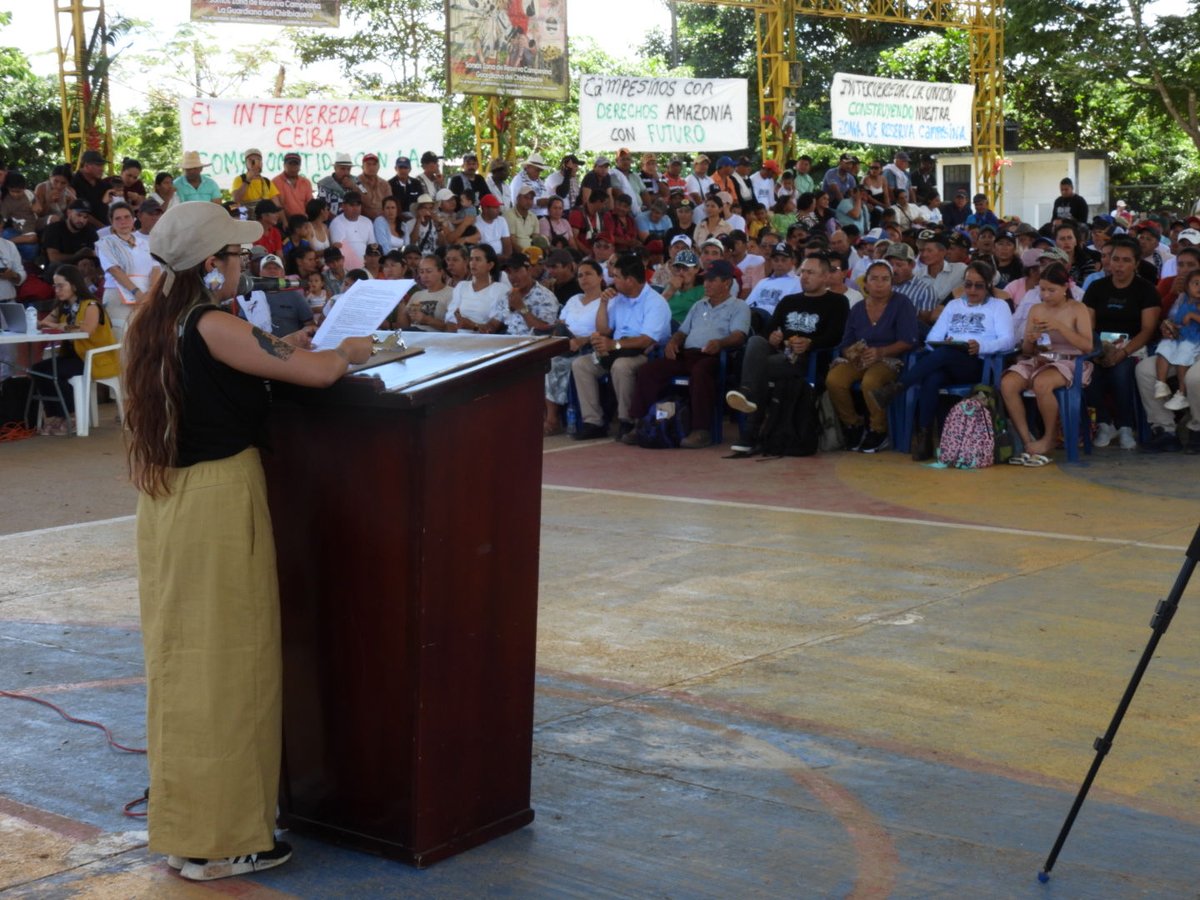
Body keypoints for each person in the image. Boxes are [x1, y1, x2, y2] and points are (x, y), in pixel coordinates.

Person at [123, 200, 373, 882]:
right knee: (232, 666)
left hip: (170, 509)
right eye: (233, 256)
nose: (241, 265)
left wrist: (284, 349)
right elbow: (322, 375)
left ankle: (191, 830)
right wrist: (347, 350)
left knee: (184, 667)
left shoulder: (154, 323)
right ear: (211, 267)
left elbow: (244, 369)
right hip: (218, 501)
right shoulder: (212, 322)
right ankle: (226, 838)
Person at [874, 261, 1014, 460]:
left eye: (979, 285)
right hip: (947, 360)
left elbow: (1008, 340)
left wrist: (982, 346)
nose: (972, 290)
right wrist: (944, 342)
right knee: (933, 377)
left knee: (945, 355)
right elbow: (932, 338)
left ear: (989, 286)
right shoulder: (954, 305)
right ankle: (925, 440)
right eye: (968, 284)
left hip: (978, 362)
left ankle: (899, 386)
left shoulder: (998, 306)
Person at [725, 253, 849, 449]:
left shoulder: (837, 302)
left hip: (809, 360)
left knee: (759, 368)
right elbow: (769, 331)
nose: (805, 277)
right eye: (803, 272)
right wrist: (773, 338)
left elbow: (836, 336)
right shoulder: (789, 301)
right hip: (781, 355)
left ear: (825, 277)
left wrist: (811, 343)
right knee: (757, 341)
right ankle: (748, 399)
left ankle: (749, 427)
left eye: (811, 273)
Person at [626, 260, 750, 449]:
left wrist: (720, 343)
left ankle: (701, 431)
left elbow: (739, 336)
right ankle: (641, 424)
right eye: (705, 280)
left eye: (712, 280)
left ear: (727, 283)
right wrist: (674, 341)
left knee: (701, 372)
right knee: (649, 370)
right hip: (688, 354)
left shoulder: (739, 306)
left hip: (715, 357)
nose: (706, 284)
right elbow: (682, 331)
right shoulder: (699, 305)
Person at [999, 262, 1095, 466]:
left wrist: (1060, 327)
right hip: (1041, 358)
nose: (1046, 295)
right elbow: (1027, 351)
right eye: (1042, 289)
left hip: (1069, 361)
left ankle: (1050, 437)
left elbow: (1087, 346)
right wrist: (1031, 339)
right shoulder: (1036, 309)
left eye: (1052, 290)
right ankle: (1028, 442)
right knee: (1007, 383)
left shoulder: (1078, 309)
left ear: (1065, 288)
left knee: (1042, 383)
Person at [570, 253, 672, 441]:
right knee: (581, 364)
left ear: (630, 280)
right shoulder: (618, 298)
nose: (612, 280)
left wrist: (613, 344)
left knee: (622, 366)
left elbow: (646, 340)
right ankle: (594, 422)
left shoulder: (655, 303)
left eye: (616, 276)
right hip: (616, 350)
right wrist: (603, 302)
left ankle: (627, 420)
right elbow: (603, 329)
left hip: (645, 354)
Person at [825, 261, 918, 452]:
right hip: (860, 359)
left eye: (885, 279)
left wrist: (880, 352)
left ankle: (879, 430)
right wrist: (853, 354)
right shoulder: (858, 308)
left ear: (892, 282)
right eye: (874, 279)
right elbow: (845, 342)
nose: (879, 283)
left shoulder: (901, 304)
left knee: (871, 381)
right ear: (865, 283)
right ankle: (853, 425)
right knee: (834, 379)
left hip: (890, 358)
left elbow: (909, 340)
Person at [1083, 236, 1159, 450]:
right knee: (1088, 371)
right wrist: (1099, 350)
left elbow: (1148, 329)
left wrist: (1123, 352)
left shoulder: (1146, 290)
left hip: (1134, 348)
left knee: (1121, 370)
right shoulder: (1097, 288)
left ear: (1136, 264)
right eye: (1115, 259)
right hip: (1099, 348)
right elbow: (1088, 325)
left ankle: (1126, 425)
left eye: (1126, 260)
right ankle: (1105, 423)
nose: (1119, 265)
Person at [31, 265, 119, 435]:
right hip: (73, 356)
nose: (57, 290)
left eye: (61, 285)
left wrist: (56, 325)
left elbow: (87, 329)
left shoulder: (91, 305)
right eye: (55, 286)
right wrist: (34, 322)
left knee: (56, 372)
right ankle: (54, 415)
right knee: (38, 370)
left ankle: (71, 415)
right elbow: (45, 323)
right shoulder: (63, 307)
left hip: (93, 357)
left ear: (74, 285)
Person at [545, 258, 604, 434]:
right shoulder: (574, 299)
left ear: (600, 277)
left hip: (588, 346)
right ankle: (543, 415)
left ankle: (552, 418)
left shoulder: (607, 301)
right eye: (580, 275)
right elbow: (560, 323)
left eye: (588, 274)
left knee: (554, 365)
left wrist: (581, 340)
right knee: (539, 362)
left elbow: (606, 330)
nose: (583, 278)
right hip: (566, 342)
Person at [96, 201, 159, 336]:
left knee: (145, 339)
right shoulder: (106, 243)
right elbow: (115, 271)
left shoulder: (145, 243)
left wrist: (151, 294)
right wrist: (138, 294)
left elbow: (156, 268)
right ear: (111, 222)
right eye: (118, 218)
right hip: (118, 297)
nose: (123, 222)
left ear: (133, 219)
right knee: (122, 340)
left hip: (146, 297)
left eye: (126, 217)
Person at [1149, 270, 1200, 412]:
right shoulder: (1183, 299)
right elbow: (1175, 319)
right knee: (1163, 347)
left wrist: (1192, 316)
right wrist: (1170, 325)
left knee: (1183, 355)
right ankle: (1161, 383)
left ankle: (1182, 393)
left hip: (1193, 338)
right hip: (1181, 335)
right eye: (1196, 284)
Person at [447, 244, 508, 331]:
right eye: (471, 259)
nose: (473, 263)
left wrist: (472, 326)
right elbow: (450, 320)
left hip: (485, 342)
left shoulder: (500, 290)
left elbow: (493, 327)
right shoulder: (461, 286)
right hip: (458, 340)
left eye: (478, 259)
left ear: (490, 265)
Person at [398, 253, 453, 332]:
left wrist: (426, 319)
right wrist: (401, 304)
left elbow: (453, 328)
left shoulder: (452, 293)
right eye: (421, 272)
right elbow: (403, 326)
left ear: (441, 272)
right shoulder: (417, 295)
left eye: (429, 271)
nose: (424, 276)